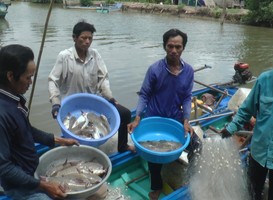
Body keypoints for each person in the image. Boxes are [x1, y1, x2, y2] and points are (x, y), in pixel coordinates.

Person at [127, 28, 202, 200]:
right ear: (164, 47)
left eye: (178, 47)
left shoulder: (188, 71)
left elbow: (186, 97)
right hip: (154, 118)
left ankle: (191, 178)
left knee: (196, 147)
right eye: (170, 46)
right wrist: (138, 117)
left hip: (175, 118)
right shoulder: (155, 69)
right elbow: (144, 94)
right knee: (153, 156)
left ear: (183, 48)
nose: (174, 51)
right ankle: (156, 186)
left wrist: (186, 120)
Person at [221, 39, 273, 200]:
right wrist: (230, 128)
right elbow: (246, 109)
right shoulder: (264, 80)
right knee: (252, 192)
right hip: (259, 152)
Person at [0, 44, 79, 200]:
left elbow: (26, 130)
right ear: (10, 76)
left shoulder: (14, 99)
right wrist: (43, 185)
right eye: (28, 77)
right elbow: (3, 167)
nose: (30, 82)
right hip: (20, 186)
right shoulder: (2, 113)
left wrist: (60, 140)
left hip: (32, 174)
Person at [48, 20, 134, 153]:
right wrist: (55, 102)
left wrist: (109, 97)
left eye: (90, 38)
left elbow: (103, 78)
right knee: (74, 134)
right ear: (74, 38)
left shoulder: (95, 55)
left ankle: (122, 146)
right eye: (83, 38)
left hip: (94, 102)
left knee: (125, 113)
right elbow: (53, 80)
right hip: (72, 106)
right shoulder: (64, 57)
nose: (87, 41)